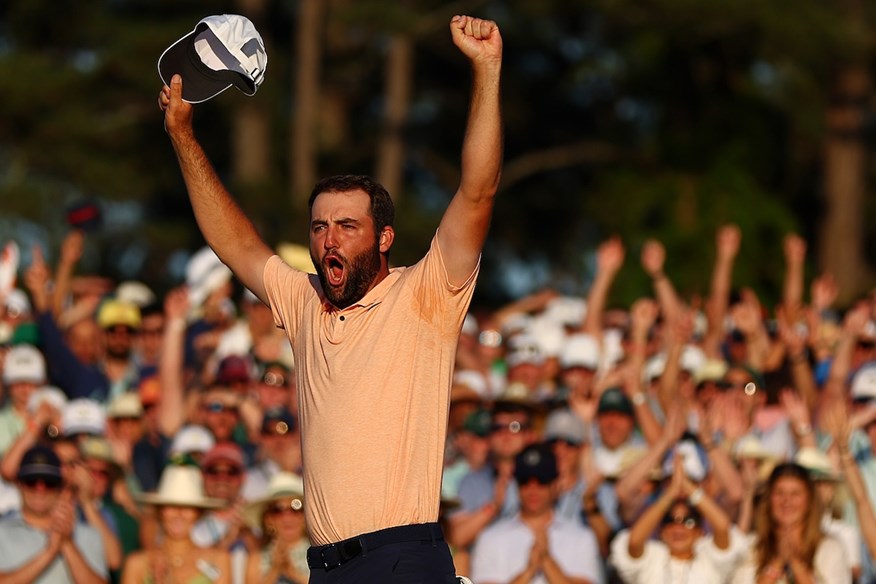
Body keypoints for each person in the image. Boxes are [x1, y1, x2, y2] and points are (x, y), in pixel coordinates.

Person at [159, 13, 502, 583]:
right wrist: (183, 137)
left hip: (402, 558)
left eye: (347, 225)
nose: (328, 239)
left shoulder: (427, 292)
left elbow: (478, 190)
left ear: (384, 238)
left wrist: (487, 72)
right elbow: (233, 241)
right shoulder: (303, 299)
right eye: (319, 227)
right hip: (325, 566)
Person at [470, 442, 603, 584]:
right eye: (525, 481)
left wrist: (547, 561)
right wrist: (529, 571)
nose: (533, 489)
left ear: (555, 484)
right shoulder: (491, 538)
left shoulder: (581, 537)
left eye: (542, 480)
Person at [0, 444, 108, 583]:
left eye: (49, 482)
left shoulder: (88, 535)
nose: (40, 489)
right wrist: (50, 552)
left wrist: (67, 544)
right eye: (31, 482)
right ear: (19, 484)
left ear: (61, 486)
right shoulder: (2, 532)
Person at [729, 462, 850, 584]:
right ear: (769, 499)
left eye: (795, 494)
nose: (786, 501)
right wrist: (776, 563)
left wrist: (796, 563)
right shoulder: (751, 549)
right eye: (779, 493)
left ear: (809, 501)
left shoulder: (830, 549)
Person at [121, 464, 230, 584]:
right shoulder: (138, 564)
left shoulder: (218, 560)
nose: (179, 514)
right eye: (172, 506)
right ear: (160, 511)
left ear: (198, 513)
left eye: (187, 507)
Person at [244, 472, 310, 583]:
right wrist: (275, 569)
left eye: (296, 506)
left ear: (306, 515)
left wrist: (293, 573)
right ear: (268, 519)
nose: (287, 517)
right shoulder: (256, 559)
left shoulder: (320, 554)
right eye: (277, 509)